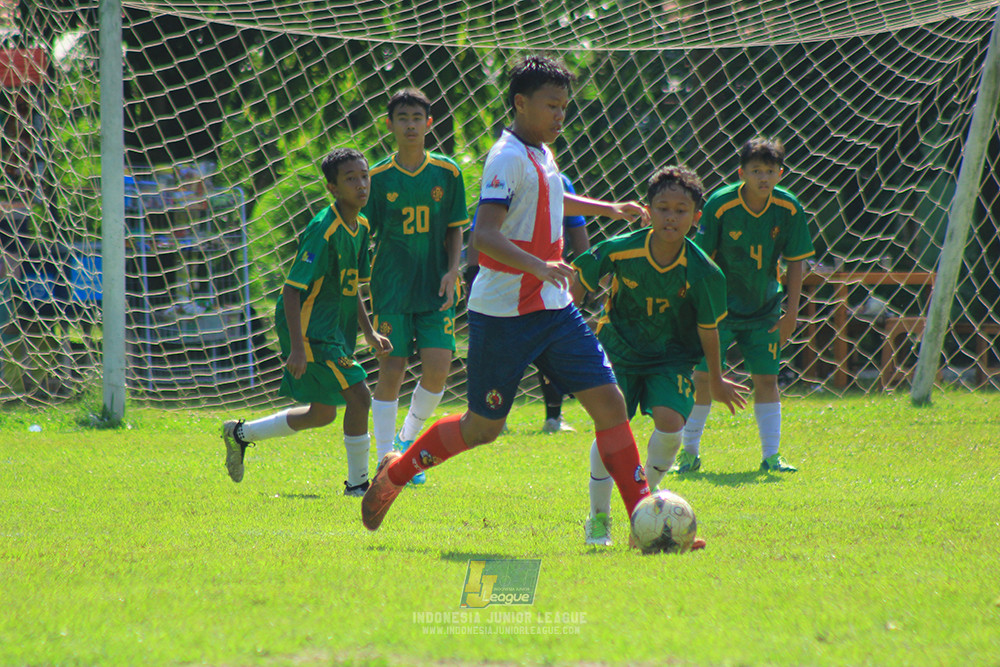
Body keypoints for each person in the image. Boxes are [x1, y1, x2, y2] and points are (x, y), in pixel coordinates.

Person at [361, 54, 655, 540]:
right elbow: (485, 237)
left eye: (565, 106)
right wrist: (542, 266)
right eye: (552, 106)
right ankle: (396, 471)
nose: (561, 115)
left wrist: (612, 210)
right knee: (483, 427)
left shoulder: (540, 150)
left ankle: (645, 522)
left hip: (554, 310)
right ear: (521, 103)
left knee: (611, 404)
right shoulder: (505, 157)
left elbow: (553, 199)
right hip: (504, 316)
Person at [571, 165, 748, 546]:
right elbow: (579, 280)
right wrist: (563, 333)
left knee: (670, 424)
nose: (671, 216)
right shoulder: (621, 249)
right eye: (663, 208)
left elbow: (708, 330)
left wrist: (715, 379)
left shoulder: (705, 272)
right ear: (648, 211)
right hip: (617, 350)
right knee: (610, 427)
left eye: (681, 210)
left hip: (671, 358)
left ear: (696, 218)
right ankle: (598, 519)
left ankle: (643, 512)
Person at [221, 148, 392, 495]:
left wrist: (370, 331)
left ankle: (239, 434)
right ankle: (359, 486)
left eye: (364, 176)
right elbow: (290, 291)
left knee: (322, 414)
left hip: (331, 329)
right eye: (350, 178)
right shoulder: (322, 230)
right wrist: (297, 349)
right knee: (359, 396)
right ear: (332, 187)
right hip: (309, 329)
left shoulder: (361, 226)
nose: (361, 184)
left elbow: (352, 286)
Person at [679, 137, 815, 474]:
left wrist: (791, 313)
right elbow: (701, 258)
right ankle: (689, 453)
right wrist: (694, 306)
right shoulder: (721, 204)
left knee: (767, 379)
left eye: (770, 171)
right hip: (719, 310)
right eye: (756, 171)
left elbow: (797, 262)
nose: (763, 178)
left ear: (780, 173)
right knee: (701, 378)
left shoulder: (789, 208)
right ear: (742, 173)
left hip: (764, 310)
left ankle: (771, 456)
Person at [363, 88, 469, 486]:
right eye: (402, 117)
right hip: (391, 288)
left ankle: (406, 446)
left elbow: (456, 228)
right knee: (392, 369)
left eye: (416, 118)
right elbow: (363, 234)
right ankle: (382, 458)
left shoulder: (449, 173)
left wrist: (452, 269)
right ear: (390, 125)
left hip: (435, 286)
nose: (410, 124)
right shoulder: (376, 177)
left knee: (439, 370)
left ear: (429, 124)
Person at [465, 172, 593, 435]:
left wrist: (587, 272)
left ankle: (553, 417)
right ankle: (494, 416)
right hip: (505, 285)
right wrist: (472, 273)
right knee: (503, 353)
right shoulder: (504, 174)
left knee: (551, 349)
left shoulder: (559, 180)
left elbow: (577, 229)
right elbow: (482, 230)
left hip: (548, 282)